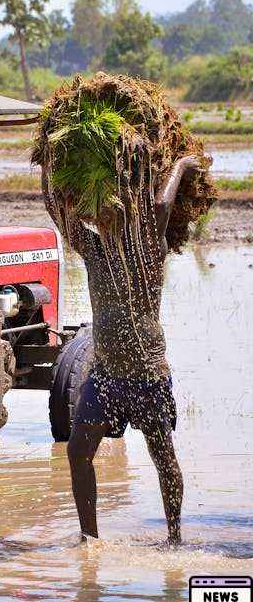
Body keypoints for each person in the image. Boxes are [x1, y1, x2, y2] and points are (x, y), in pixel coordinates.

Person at [42, 154, 201, 546]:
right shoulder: (96, 252)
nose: (110, 221)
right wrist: (49, 166)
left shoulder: (148, 250)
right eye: (105, 215)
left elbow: (162, 207)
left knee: (164, 460)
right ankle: (89, 539)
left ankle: (175, 538)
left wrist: (181, 165)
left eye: (119, 214)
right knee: (78, 452)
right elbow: (58, 213)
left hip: (148, 377)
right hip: (106, 375)